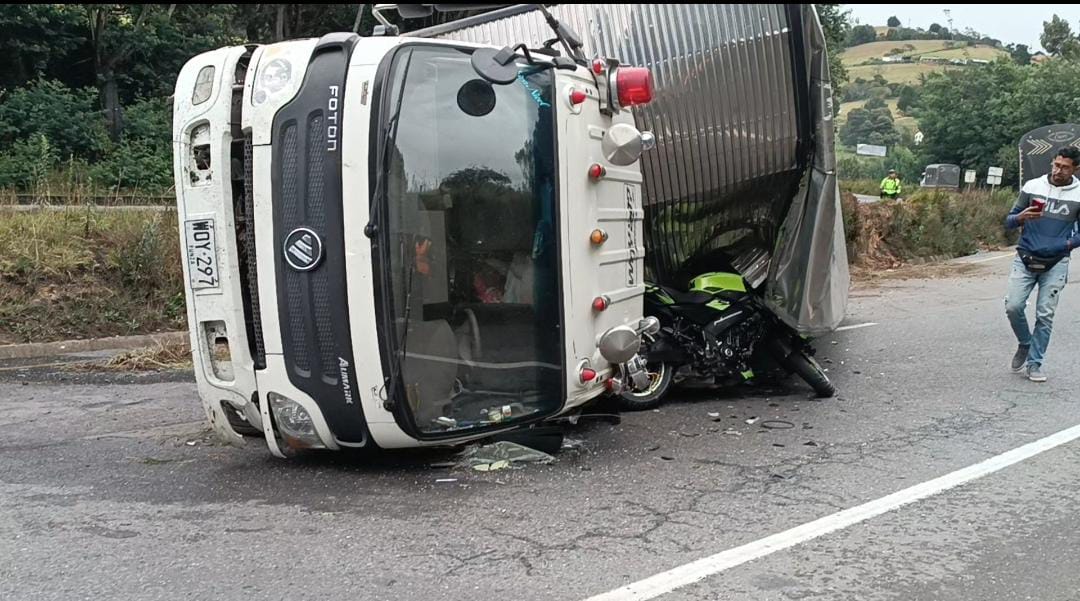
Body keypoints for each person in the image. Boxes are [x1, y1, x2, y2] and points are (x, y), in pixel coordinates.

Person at [1004, 147, 1080, 382]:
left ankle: (1035, 364)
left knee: (1045, 315)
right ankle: (1025, 343)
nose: (1058, 170)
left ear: (1075, 169)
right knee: (1013, 306)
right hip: (1025, 257)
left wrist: (1065, 245)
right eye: (1056, 165)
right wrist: (1020, 218)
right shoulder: (1032, 186)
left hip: (1056, 262)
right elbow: (1008, 221)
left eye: (1064, 167)